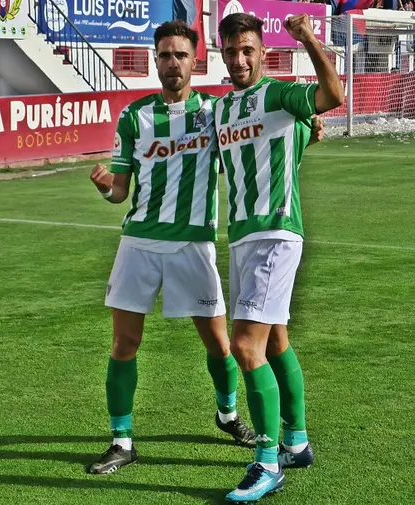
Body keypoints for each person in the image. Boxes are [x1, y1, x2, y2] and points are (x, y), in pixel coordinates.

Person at [86, 19, 326, 477]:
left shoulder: (215, 113)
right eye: (164, 55)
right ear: (155, 60)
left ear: (194, 62)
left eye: (180, 55)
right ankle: (122, 440)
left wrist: (307, 128)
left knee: (222, 345)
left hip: (194, 244)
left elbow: (257, 144)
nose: (172, 63)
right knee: (123, 343)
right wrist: (104, 187)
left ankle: (228, 414)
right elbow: (120, 192)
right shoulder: (134, 116)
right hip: (139, 242)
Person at [214, 12, 344, 502]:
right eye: (231, 51)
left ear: (263, 52)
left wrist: (308, 37)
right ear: (222, 53)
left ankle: (267, 462)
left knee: (245, 347)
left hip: (276, 234)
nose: (240, 59)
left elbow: (332, 96)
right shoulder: (220, 110)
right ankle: (297, 441)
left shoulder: (281, 95)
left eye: (248, 49)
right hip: (242, 237)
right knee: (274, 343)